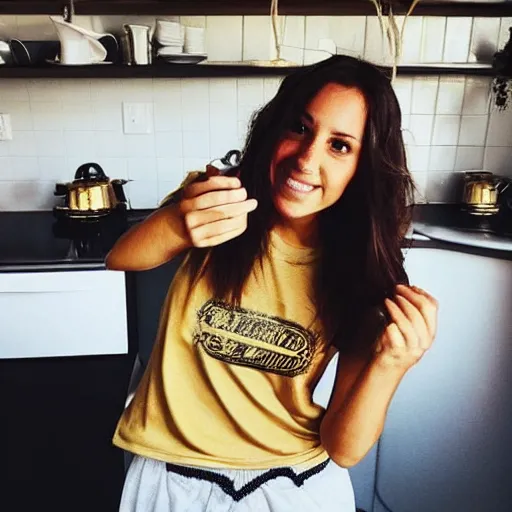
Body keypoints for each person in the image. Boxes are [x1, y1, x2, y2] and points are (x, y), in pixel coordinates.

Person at [106, 55, 438, 512]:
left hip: (293, 482)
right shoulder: (219, 199)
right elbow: (122, 257)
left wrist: (392, 364)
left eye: (339, 146)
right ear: (274, 127)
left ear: (364, 167)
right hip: (171, 472)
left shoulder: (363, 274)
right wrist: (179, 223)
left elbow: (344, 448)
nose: (306, 159)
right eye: (300, 128)